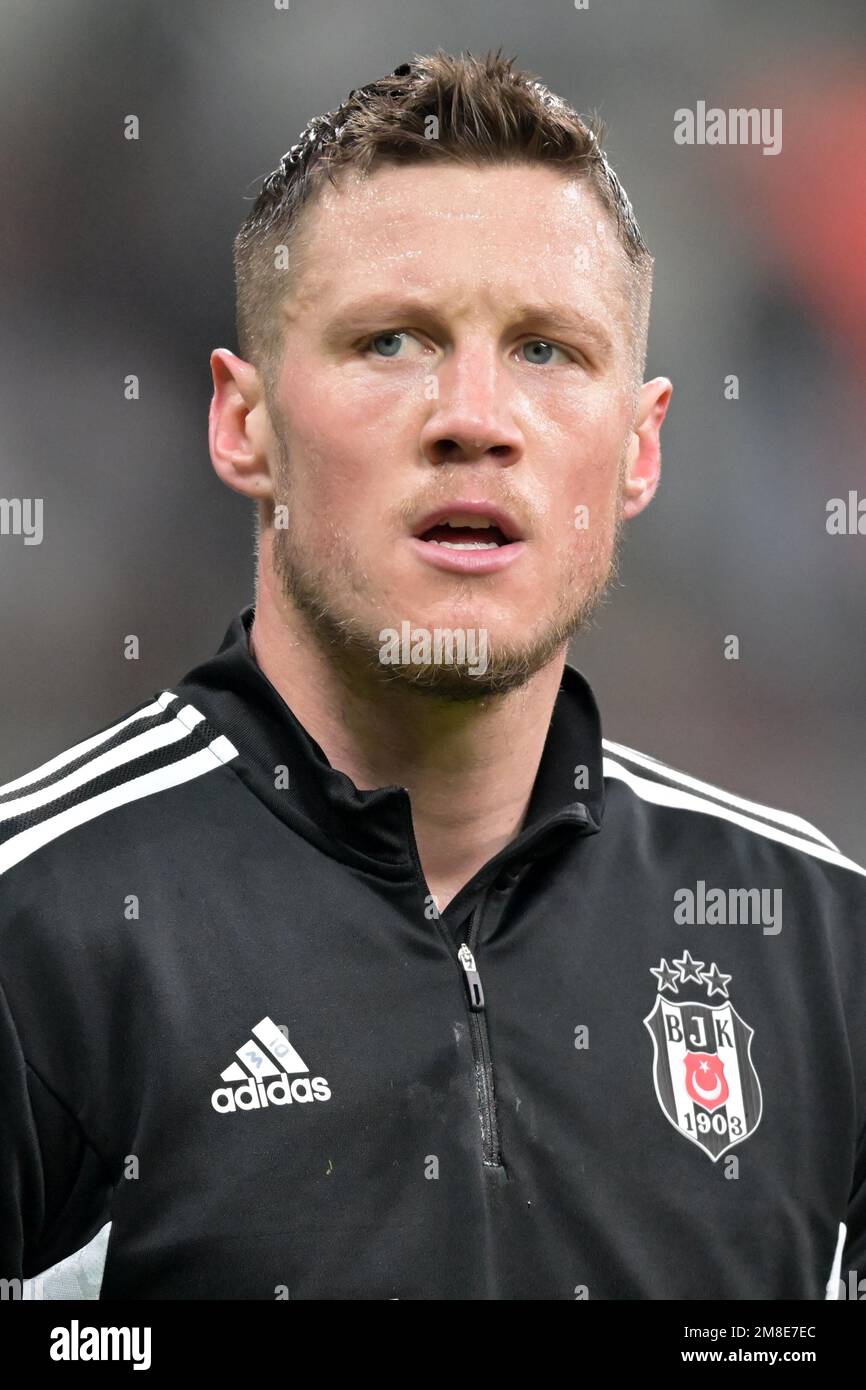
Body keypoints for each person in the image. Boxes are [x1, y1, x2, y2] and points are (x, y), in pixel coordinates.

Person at [1, 50, 863, 1301]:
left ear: (639, 448)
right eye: (390, 339)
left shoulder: (821, 948)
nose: (474, 414)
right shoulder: (37, 939)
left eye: (547, 350)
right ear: (244, 425)